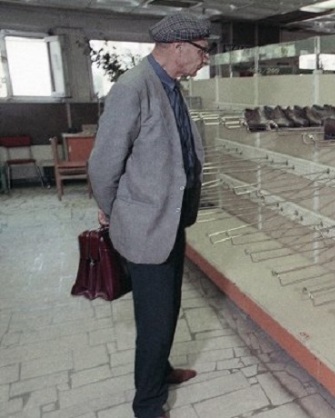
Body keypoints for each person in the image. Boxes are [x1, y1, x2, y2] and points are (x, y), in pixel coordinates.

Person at [88, 12, 213, 418]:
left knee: (166, 306)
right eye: (203, 50)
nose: (205, 58)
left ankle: (160, 370)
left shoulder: (170, 86)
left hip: (171, 219)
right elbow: (103, 165)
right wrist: (114, 211)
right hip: (145, 224)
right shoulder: (132, 88)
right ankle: (147, 404)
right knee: (155, 317)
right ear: (178, 47)